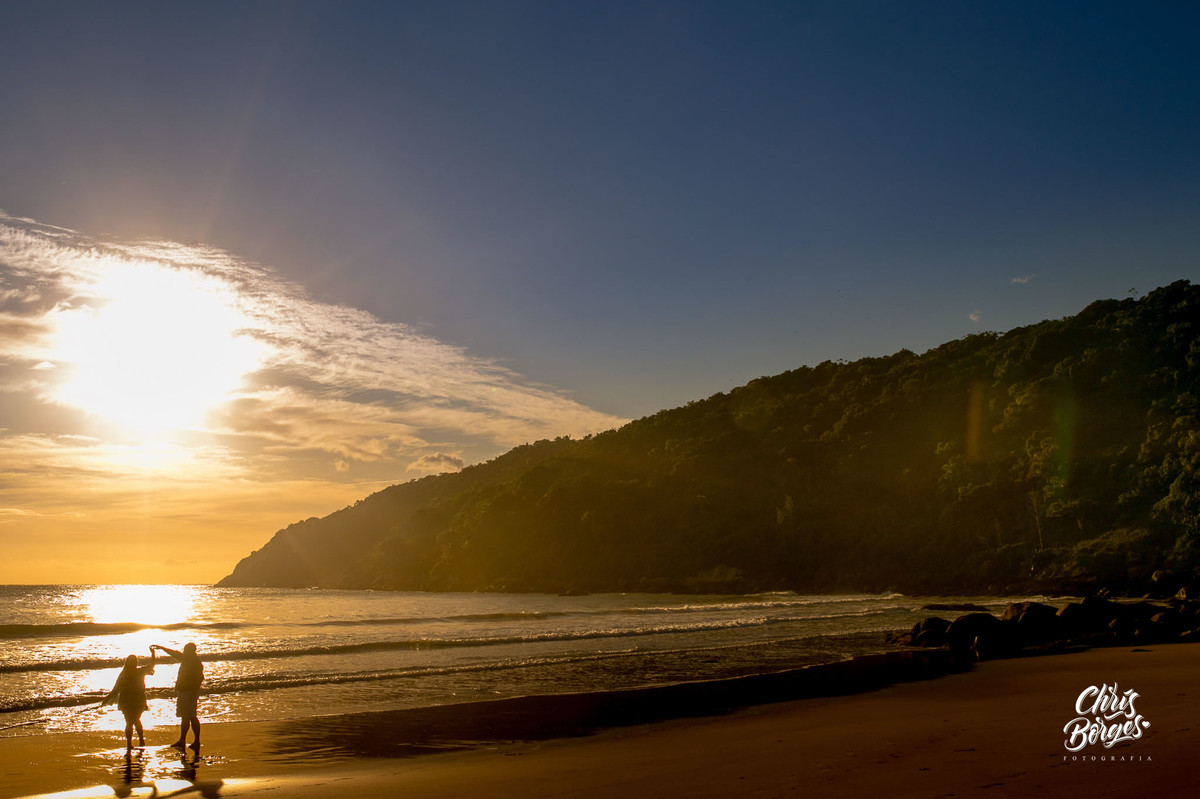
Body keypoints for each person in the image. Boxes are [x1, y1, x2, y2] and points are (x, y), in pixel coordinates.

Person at [151, 642, 203, 750]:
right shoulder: (186, 659)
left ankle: (195, 741)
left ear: (190, 651)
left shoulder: (195, 663)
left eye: (185, 650)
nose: (183, 651)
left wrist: (194, 693)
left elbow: (199, 679)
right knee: (186, 716)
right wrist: (162, 648)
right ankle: (183, 740)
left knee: (191, 716)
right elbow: (174, 653)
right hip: (184, 691)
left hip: (189, 692)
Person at [101, 649, 155, 749]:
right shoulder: (140, 671)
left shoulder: (124, 674)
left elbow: (116, 689)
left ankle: (130, 743)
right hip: (138, 700)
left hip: (126, 701)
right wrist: (153, 654)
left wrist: (107, 698)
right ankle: (141, 739)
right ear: (136, 663)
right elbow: (152, 665)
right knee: (136, 720)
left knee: (129, 722)